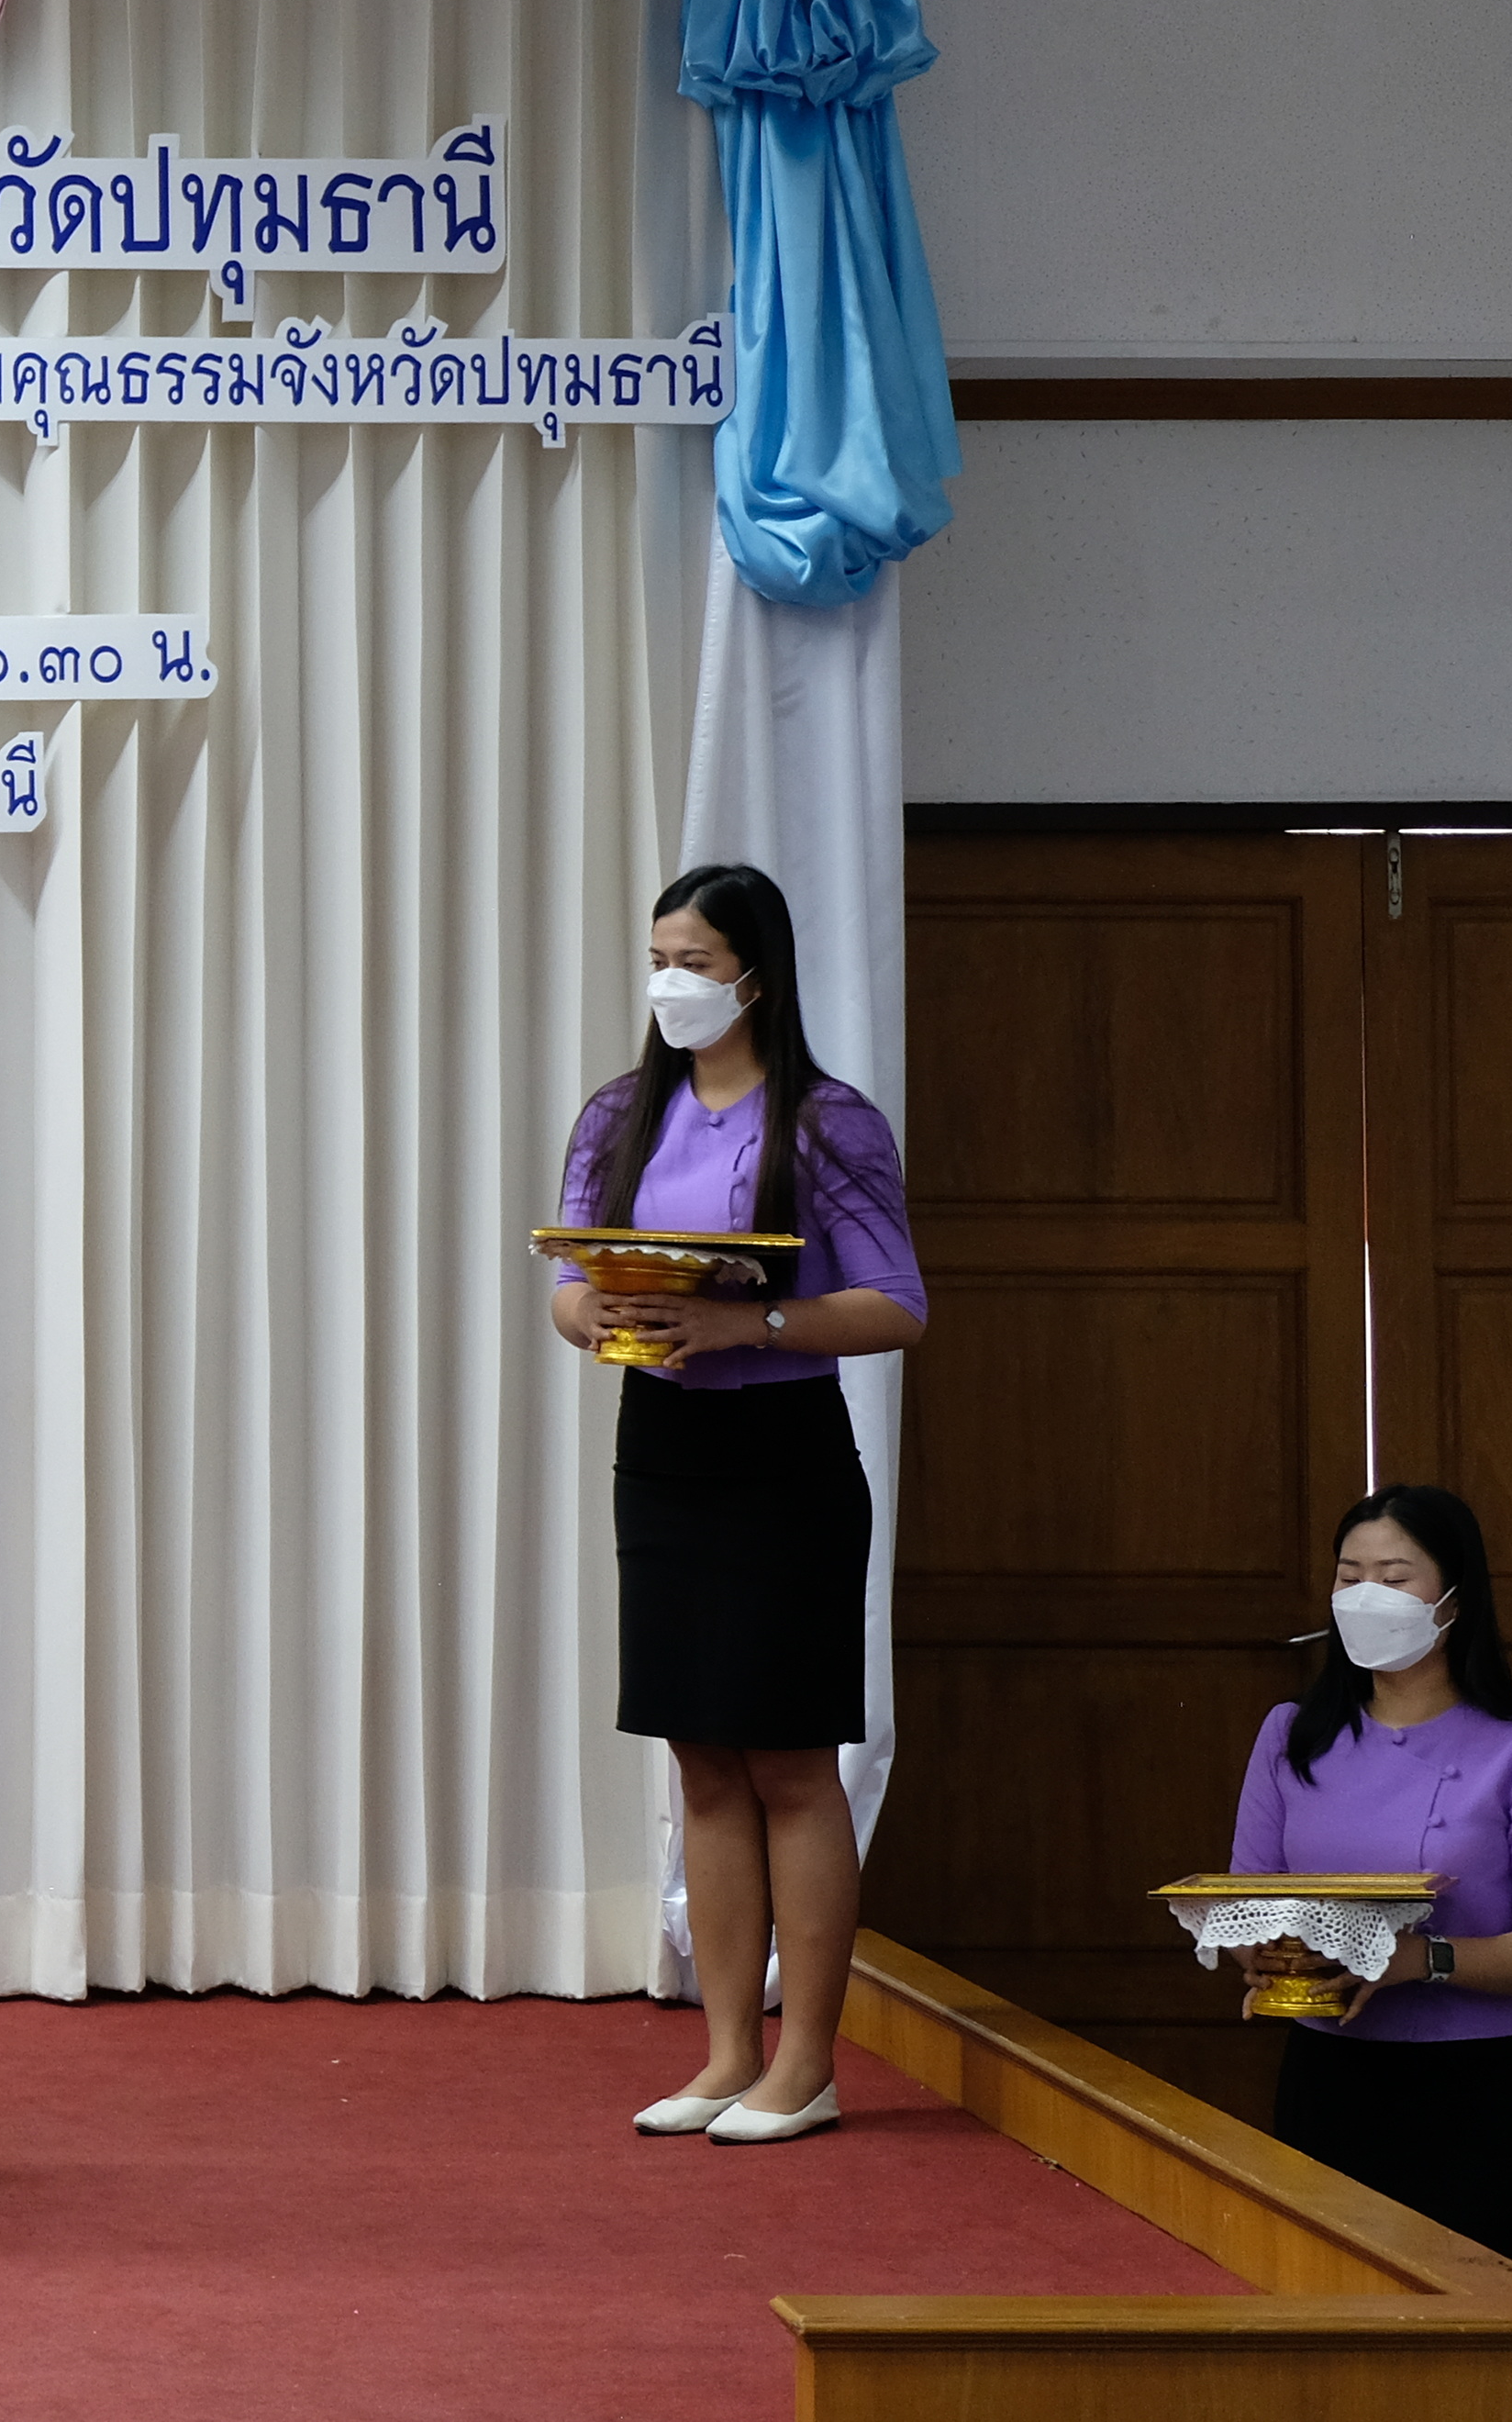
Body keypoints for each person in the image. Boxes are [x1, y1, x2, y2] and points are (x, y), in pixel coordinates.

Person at [548, 862, 927, 2145]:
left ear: (757, 976)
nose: (672, 982)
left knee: (788, 1757)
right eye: (660, 956)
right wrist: (594, 1308)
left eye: (697, 961)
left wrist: (742, 1317)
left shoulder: (828, 1122)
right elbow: (565, 1284)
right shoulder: (617, 1112)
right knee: (698, 1754)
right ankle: (723, 2052)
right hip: (662, 1445)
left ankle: (806, 2062)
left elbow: (897, 1305)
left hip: (783, 1447)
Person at [1217, 1486, 1512, 2266]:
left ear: (1455, 1599)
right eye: (1348, 1576)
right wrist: (1255, 1949)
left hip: (1474, 2090)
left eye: (1394, 1579)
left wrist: (1421, 1961)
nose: (1367, 1598)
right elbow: (1245, 1896)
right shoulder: (1291, 1735)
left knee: (1475, 2336)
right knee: (1325, 2311)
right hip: (1327, 2074)